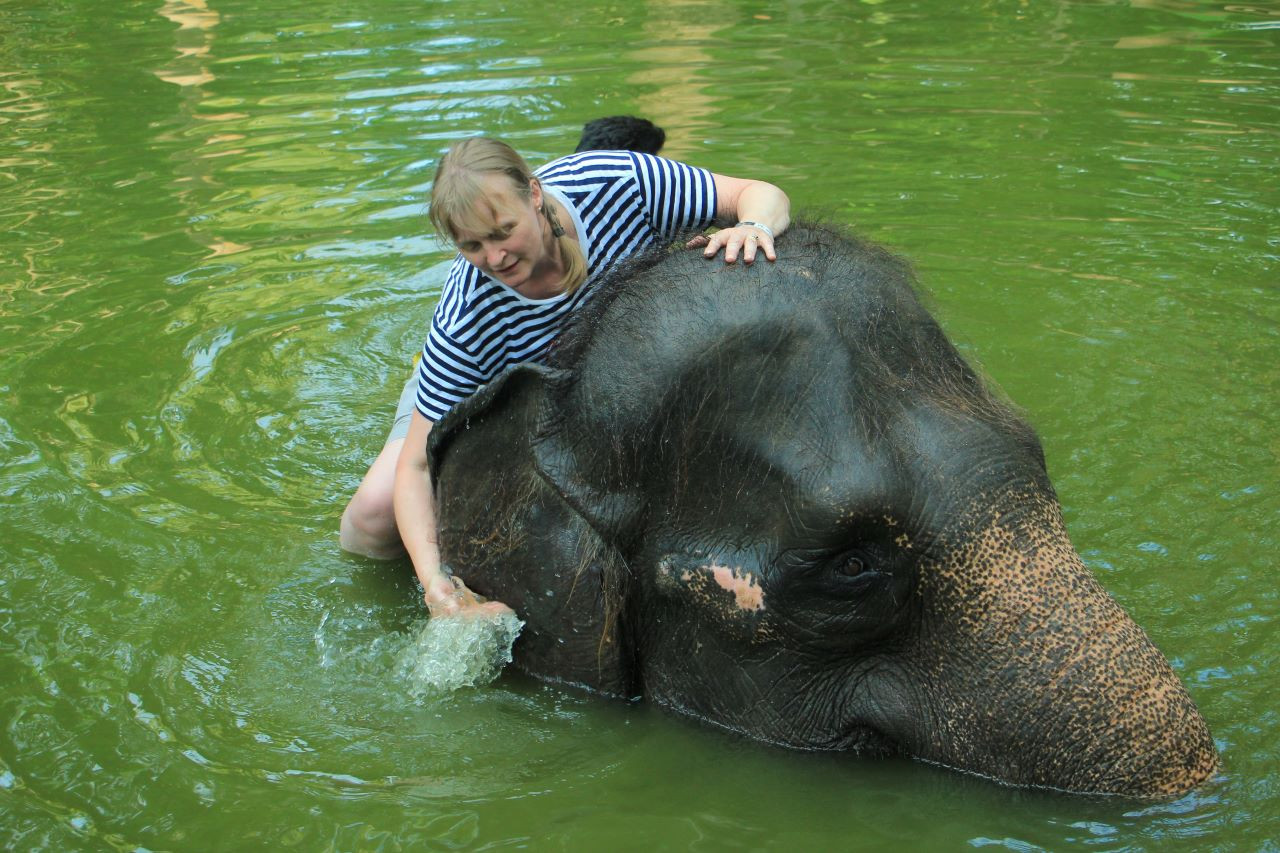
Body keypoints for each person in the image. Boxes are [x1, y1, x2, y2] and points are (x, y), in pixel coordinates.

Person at [340, 130, 790, 616]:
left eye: (502, 231)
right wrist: (434, 584)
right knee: (371, 516)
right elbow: (416, 467)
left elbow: (759, 194)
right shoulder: (469, 313)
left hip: (629, 362)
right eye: (471, 244)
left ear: (534, 194)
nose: (494, 259)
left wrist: (755, 227)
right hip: (509, 379)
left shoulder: (613, 183)